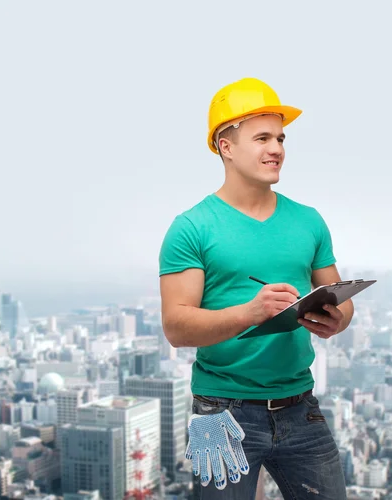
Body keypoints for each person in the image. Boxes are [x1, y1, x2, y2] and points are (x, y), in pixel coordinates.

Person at [159, 77, 354, 499]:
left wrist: (336, 318)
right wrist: (252, 311)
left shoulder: (309, 221)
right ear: (225, 147)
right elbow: (176, 326)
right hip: (219, 412)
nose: (277, 148)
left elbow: (339, 295)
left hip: (300, 406)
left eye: (281, 138)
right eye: (262, 137)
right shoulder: (192, 227)